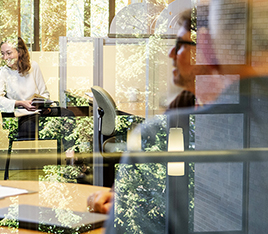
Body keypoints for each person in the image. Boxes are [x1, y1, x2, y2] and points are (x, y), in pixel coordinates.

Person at [96, 2, 268, 234]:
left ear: (207, 48)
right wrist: (131, 197)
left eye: (181, 45)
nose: (170, 54)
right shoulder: (181, 109)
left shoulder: (166, 134)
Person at [87, 8, 215, 214]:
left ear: (206, 52)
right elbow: (154, 155)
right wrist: (117, 193)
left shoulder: (232, 116)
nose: (170, 53)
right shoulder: (185, 101)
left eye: (180, 45)